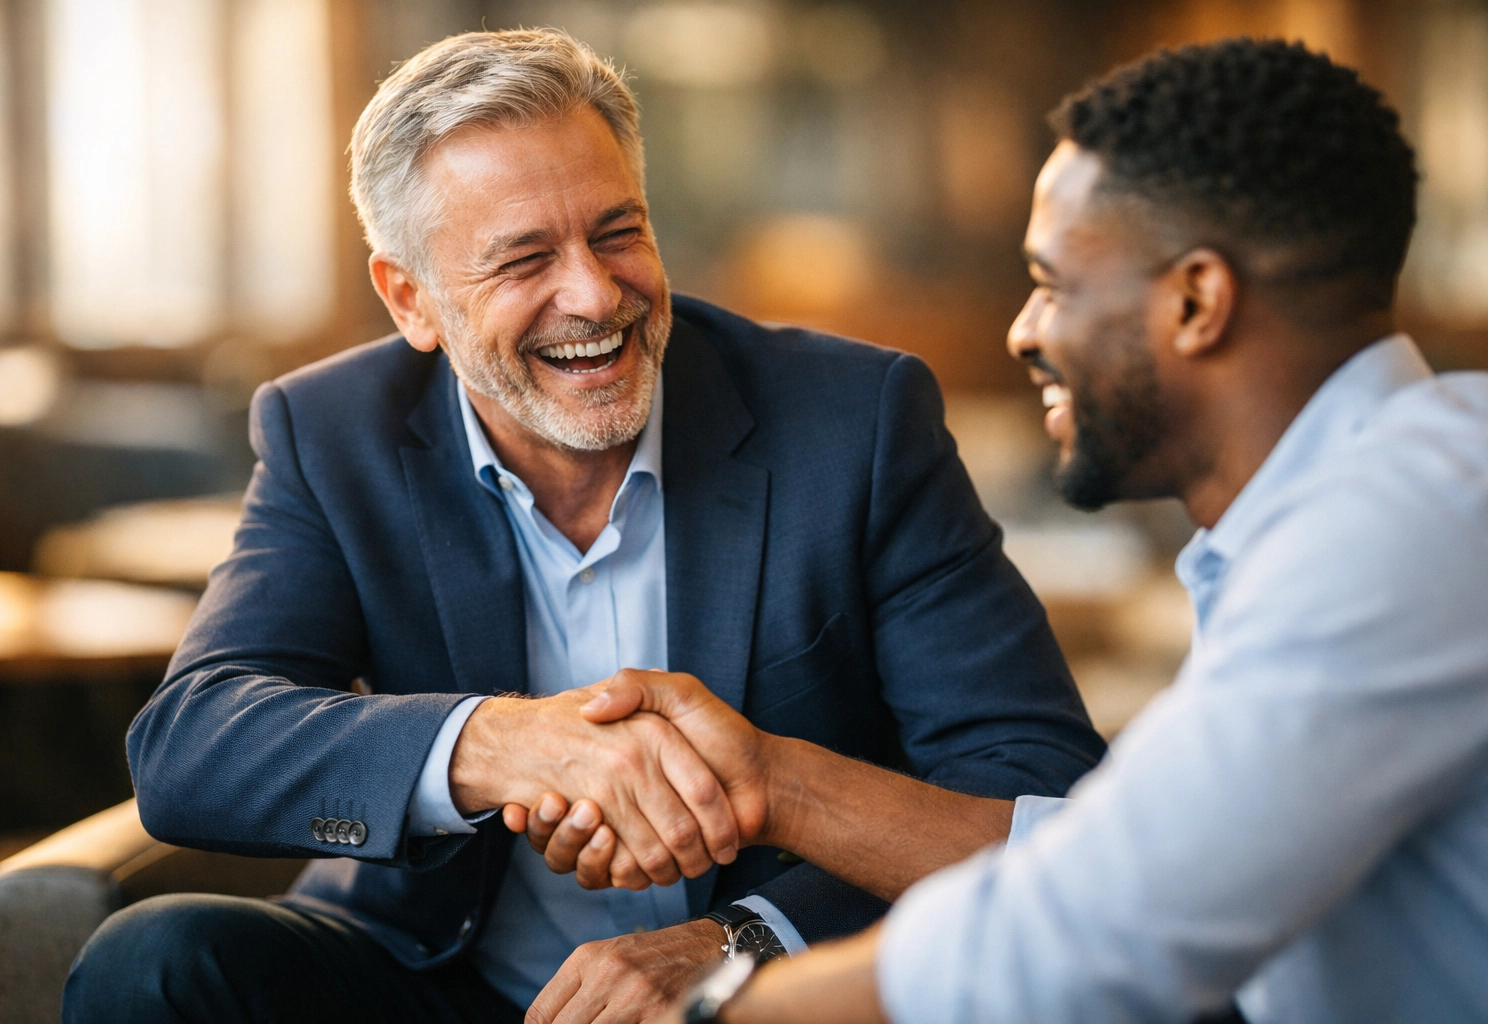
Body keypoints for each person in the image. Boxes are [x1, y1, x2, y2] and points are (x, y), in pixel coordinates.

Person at [60, 27, 1105, 1024]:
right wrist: (504, 744)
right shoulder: (334, 430)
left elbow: (1038, 789)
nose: (596, 296)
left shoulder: (854, 419)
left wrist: (744, 943)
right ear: (410, 299)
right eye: (524, 260)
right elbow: (191, 745)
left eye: (618, 233)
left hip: (762, 995)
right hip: (436, 974)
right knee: (151, 962)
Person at [529, 38, 1488, 1023]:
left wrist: (720, 1006)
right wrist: (773, 784)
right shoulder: (1402, 492)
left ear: (1197, 302)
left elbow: (1097, 925)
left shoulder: (1409, 526)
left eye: (1054, 284)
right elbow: (1110, 857)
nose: (1023, 331)